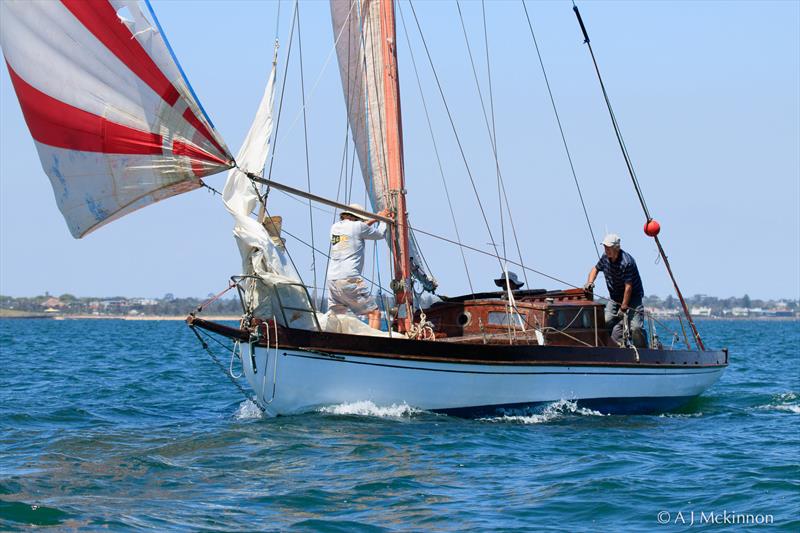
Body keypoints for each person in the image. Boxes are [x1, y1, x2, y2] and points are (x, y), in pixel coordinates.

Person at [327, 203, 390, 329]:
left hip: (332, 280)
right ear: (357, 217)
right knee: (374, 313)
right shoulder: (358, 227)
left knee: (339, 317)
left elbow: (359, 228)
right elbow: (379, 234)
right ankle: (372, 345)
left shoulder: (334, 227)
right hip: (349, 278)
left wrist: (375, 218)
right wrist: (384, 220)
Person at [584, 233, 648, 348]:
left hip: (633, 297)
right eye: (605, 247)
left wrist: (623, 308)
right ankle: (606, 348)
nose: (606, 250)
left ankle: (643, 352)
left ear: (616, 248)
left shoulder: (627, 262)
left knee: (636, 328)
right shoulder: (605, 257)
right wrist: (590, 282)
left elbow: (628, 287)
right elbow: (595, 269)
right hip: (615, 297)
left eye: (608, 247)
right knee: (605, 321)